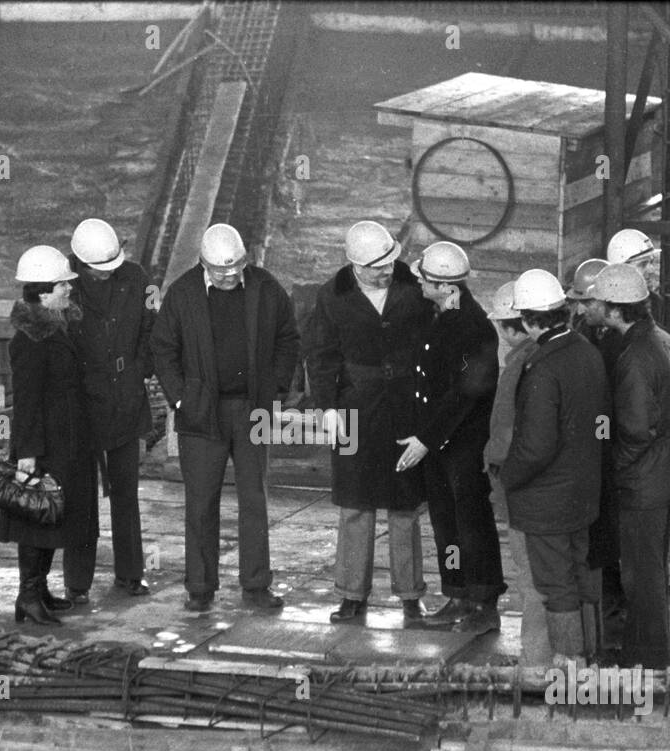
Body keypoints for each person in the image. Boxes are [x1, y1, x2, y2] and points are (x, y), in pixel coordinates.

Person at [150, 224, 300, 612]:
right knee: (200, 502)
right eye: (221, 271)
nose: (230, 276)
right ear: (204, 265)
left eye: (236, 268)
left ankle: (256, 586)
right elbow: (163, 349)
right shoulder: (182, 294)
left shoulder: (266, 288)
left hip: (253, 410)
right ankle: (200, 587)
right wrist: (182, 400)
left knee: (254, 499)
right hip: (201, 413)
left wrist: (277, 388)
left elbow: (288, 337)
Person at [305, 221, 434, 624]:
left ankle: (411, 595)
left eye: (391, 262)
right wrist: (327, 409)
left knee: (405, 505)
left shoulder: (414, 287)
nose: (387, 271)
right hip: (352, 410)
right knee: (355, 505)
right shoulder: (332, 296)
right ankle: (351, 595)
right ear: (355, 265)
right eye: (378, 266)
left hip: (405, 408)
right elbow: (320, 356)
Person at [585, 264, 670, 668]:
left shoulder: (633, 357)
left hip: (645, 479)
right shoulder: (661, 338)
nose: (592, 307)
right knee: (652, 568)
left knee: (641, 576)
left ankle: (647, 660)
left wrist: (612, 470)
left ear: (615, 311)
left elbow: (634, 430)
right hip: (668, 468)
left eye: (597, 301)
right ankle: (649, 654)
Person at [399, 241, 505, 636]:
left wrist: (426, 438)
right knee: (446, 521)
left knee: (471, 520)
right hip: (441, 442)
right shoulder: (442, 315)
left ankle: (483, 600)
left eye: (424, 280)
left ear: (448, 287)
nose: (419, 284)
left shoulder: (473, 328)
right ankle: (458, 592)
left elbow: (465, 393)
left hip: (462, 442)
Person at [499, 280, 607, 660]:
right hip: (583, 491)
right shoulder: (587, 352)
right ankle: (589, 656)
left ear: (529, 321)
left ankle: (569, 667)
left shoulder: (542, 368)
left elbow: (536, 446)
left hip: (547, 501)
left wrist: (507, 478)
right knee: (580, 575)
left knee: (555, 585)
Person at [0, 245, 98, 626]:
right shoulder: (30, 339)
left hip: (67, 443)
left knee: (53, 517)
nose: (69, 289)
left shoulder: (58, 327)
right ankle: (27, 596)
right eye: (62, 285)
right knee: (35, 517)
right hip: (45, 446)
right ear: (42, 292)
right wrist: (27, 454)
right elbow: (25, 401)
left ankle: (39, 591)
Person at [65, 218, 155, 602]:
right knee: (81, 498)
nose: (107, 275)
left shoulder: (135, 277)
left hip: (125, 397)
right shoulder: (66, 288)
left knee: (126, 492)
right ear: (81, 264)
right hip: (83, 403)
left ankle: (130, 574)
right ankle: (77, 583)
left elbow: (153, 328)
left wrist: (138, 370)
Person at [483, 275, 555, 662]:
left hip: (522, 486)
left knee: (531, 575)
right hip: (551, 485)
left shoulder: (518, 365)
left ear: (510, 327)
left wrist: (496, 469)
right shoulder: (549, 355)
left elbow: (506, 432)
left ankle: (534, 661)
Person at [566, 257, 625, 632]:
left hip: (610, 450)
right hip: (594, 450)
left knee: (607, 531)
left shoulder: (622, 343)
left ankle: (614, 603)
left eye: (586, 302)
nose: (579, 309)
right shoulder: (589, 335)